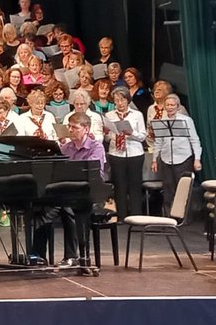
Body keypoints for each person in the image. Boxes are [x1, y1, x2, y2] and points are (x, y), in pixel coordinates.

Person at [33, 112, 106, 267]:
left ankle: (71, 256)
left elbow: (94, 174)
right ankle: (38, 255)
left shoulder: (96, 147)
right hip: (66, 193)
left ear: (86, 129)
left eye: (75, 127)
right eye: (69, 127)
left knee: (70, 211)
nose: (71, 130)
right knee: (44, 213)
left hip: (87, 194)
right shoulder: (66, 148)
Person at [150, 93, 202, 215]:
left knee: (183, 189)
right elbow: (158, 142)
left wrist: (197, 159)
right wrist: (154, 160)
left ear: (178, 107)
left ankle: (184, 217)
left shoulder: (186, 120)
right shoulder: (161, 121)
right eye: (168, 105)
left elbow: (194, 140)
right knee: (168, 190)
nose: (170, 107)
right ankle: (170, 216)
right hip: (166, 159)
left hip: (184, 159)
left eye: (173, 105)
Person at [103, 88, 146, 221]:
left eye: (122, 100)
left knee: (135, 184)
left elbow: (143, 136)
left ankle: (136, 215)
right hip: (116, 153)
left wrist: (131, 133)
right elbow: (108, 139)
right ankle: (121, 216)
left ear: (128, 100)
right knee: (119, 185)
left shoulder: (136, 115)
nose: (120, 103)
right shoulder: (109, 115)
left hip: (134, 152)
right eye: (116, 100)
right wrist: (107, 133)